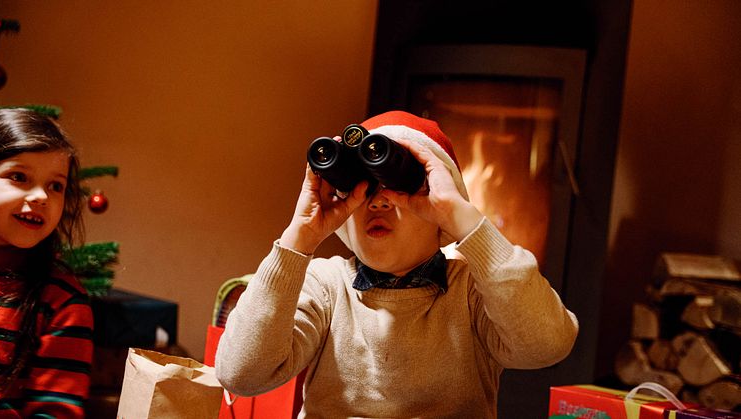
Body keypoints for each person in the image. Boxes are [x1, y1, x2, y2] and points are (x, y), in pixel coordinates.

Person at [216, 110, 578, 418]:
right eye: (363, 188)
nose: (378, 203)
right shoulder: (326, 286)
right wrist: (298, 240)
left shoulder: (473, 290)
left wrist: (464, 221)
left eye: (398, 188)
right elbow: (241, 374)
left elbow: (547, 344)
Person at [0, 108, 93, 417]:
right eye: (19, 177)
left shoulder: (64, 302)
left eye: (55, 186)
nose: (40, 196)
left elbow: (56, 411)